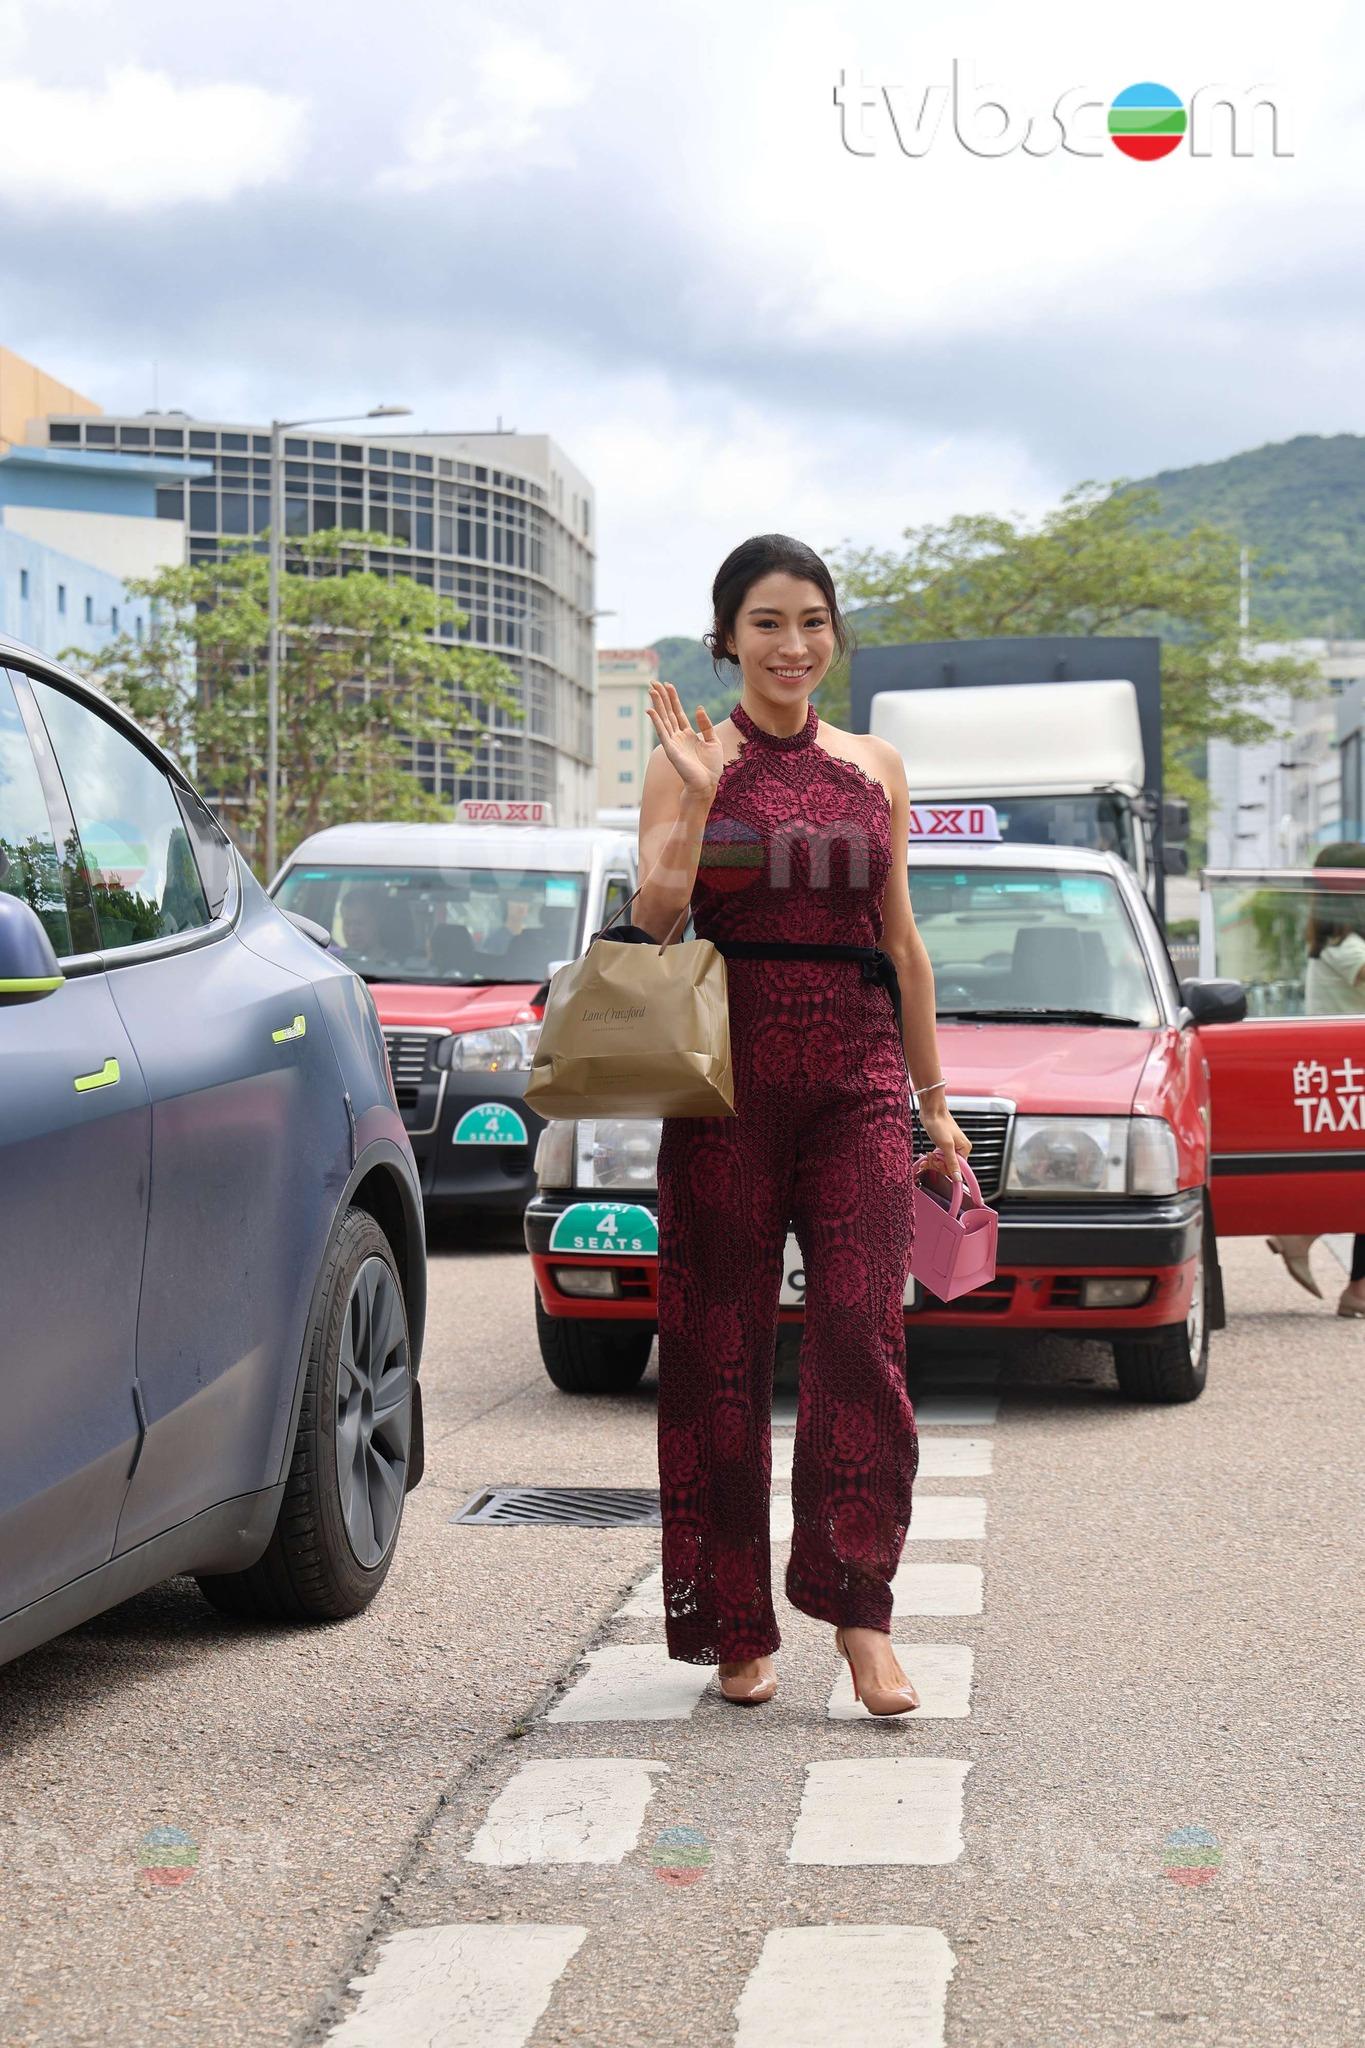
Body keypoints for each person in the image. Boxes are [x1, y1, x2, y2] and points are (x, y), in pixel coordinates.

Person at [636, 533, 971, 1716]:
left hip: (860, 1077)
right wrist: (691, 794)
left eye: (813, 621)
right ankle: (735, 1621)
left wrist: (936, 1105)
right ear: (726, 635)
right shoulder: (691, 756)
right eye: (768, 623)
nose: (793, 645)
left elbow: (905, 944)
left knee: (860, 1339)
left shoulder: (875, 763)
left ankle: (862, 1612)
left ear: (835, 634)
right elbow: (660, 921)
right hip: (727, 1083)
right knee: (720, 1348)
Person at [1266, 840, 1365, 1318]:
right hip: (1352, 1075)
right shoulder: (1346, 949)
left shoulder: (1332, 944)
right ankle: (1358, 1287)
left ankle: (1304, 1234)